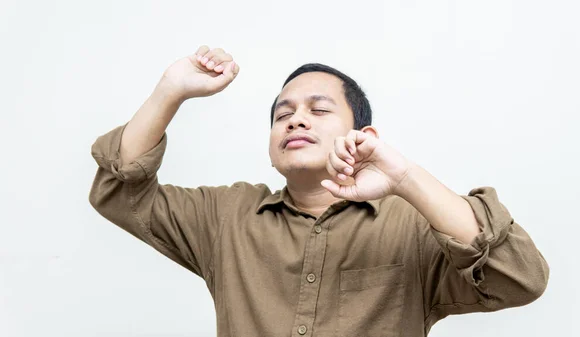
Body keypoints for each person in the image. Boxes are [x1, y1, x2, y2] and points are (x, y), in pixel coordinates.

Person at [89, 45, 549, 337]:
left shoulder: (413, 223)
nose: (296, 119)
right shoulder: (227, 216)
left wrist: (405, 179)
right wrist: (171, 91)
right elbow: (119, 190)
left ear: (361, 132)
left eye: (318, 109)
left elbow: (520, 278)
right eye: (282, 114)